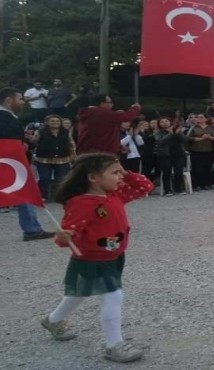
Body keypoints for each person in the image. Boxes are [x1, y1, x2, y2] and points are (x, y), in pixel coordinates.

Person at [43, 153, 153, 363]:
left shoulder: (116, 194)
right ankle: (114, 345)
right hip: (92, 259)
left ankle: (52, 320)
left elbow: (144, 186)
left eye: (121, 172)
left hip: (113, 255)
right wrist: (64, 237)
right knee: (113, 296)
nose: (120, 177)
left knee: (78, 294)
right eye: (114, 172)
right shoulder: (81, 203)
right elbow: (68, 233)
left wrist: (126, 173)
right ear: (93, 177)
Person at [0, 87, 55, 241]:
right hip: (11, 162)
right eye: (20, 99)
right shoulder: (4, 118)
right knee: (23, 189)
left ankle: (31, 228)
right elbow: (8, 141)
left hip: (10, 162)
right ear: (9, 100)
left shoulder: (8, 117)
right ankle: (31, 228)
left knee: (22, 191)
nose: (23, 102)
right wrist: (23, 144)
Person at [31, 115, 76, 201]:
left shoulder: (66, 132)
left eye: (57, 121)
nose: (55, 123)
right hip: (43, 159)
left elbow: (71, 144)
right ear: (47, 122)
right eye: (52, 121)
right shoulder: (40, 132)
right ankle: (43, 196)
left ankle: (58, 196)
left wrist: (73, 156)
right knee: (44, 178)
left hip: (62, 159)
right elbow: (34, 143)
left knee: (61, 178)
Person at [154, 118, 187, 196]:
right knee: (167, 172)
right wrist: (171, 133)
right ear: (159, 124)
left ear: (170, 122)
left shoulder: (176, 130)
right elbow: (160, 142)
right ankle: (167, 190)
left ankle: (178, 189)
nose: (164, 123)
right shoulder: (158, 132)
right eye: (162, 121)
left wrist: (179, 133)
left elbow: (184, 140)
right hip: (165, 155)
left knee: (179, 171)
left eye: (166, 121)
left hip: (178, 153)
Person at [186, 113, 214, 191]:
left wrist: (209, 137)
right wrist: (200, 139)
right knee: (197, 168)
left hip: (209, 150)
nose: (199, 118)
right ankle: (197, 184)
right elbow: (188, 138)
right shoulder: (194, 128)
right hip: (196, 150)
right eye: (198, 117)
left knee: (207, 167)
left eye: (201, 117)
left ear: (206, 119)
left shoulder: (211, 128)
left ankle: (206, 183)